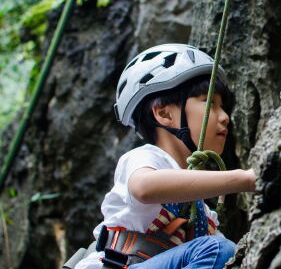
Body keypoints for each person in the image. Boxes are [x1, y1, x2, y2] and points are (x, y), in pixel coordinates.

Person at [74, 44, 256, 269]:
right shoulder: (144, 158)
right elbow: (145, 187)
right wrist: (247, 179)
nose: (225, 117)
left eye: (223, 107)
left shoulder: (203, 215)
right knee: (217, 249)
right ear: (163, 113)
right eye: (210, 103)